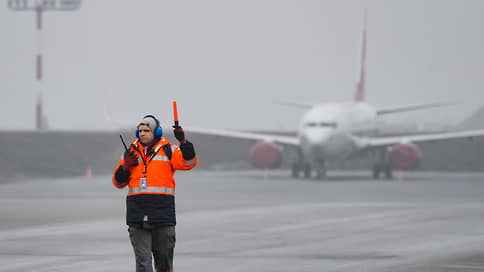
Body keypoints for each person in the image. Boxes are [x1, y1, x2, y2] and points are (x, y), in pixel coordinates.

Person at [112, 114, 198, 272]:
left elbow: (190, 162)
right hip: (137, 216)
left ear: (156, 133)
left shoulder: (168, 150)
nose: (142, 133)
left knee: (164, 263)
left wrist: (183, 142)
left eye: (146, 130)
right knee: (143, 263)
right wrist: (125, 167)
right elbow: (118, 183)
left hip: (162, 215)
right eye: (140, 131)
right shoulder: (130, 152)